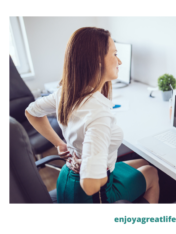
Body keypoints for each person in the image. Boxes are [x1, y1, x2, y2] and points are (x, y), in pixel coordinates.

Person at [25, 27, 160, 203]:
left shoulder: (66, 93)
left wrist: (59, 144)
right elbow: (90, 184)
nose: (119, 61)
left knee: (143, 163)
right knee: (151, 173)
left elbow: (31, 112)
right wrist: (94, 164)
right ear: (98, 60)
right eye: (114, 54)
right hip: (93, 195)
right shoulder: (98, 115)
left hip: (66, 179)